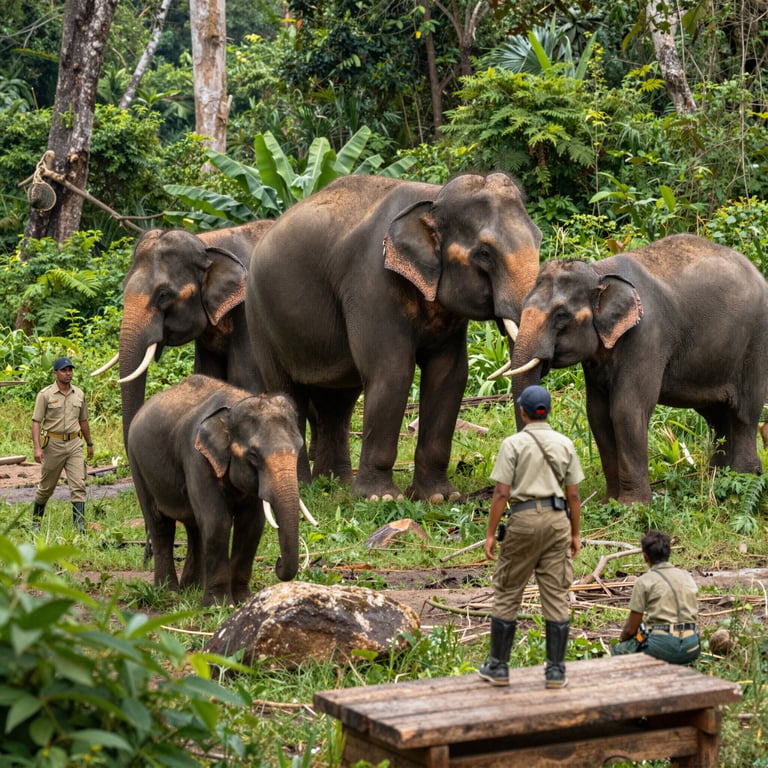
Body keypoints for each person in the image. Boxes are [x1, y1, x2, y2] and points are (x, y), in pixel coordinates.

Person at [479, 384, 583, 689]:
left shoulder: (513, 444)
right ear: (548, 411)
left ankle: (498, 667)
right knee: (555, 593)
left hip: (523, 519)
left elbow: (501, 492)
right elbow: (574, 495)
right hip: (556, 521)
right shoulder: (565, 444)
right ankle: (555, 671)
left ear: (522, 412)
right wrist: (575, 533)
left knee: (509, 588)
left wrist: (490, 534)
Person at [612, 529, 700, 664]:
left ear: (645, 556)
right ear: (669, 553)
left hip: (662, 645)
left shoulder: (644, 581)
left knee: (619, 651)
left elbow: (630, 629)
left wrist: (622, 641)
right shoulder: (687, 577)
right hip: (692, 645)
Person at [31, 356, 94, 533]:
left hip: (75, 443)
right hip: (53, 445)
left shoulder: (79, 394)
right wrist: (37, 447)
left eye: (70, 370)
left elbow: (84, 421)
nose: (68, 373)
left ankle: (79, 525)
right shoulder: (45, 395)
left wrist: (89, 443)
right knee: (46, 488)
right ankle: (36, 523)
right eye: (64, 370)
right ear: (55, 373)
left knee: (78, 485)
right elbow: (36, 421)